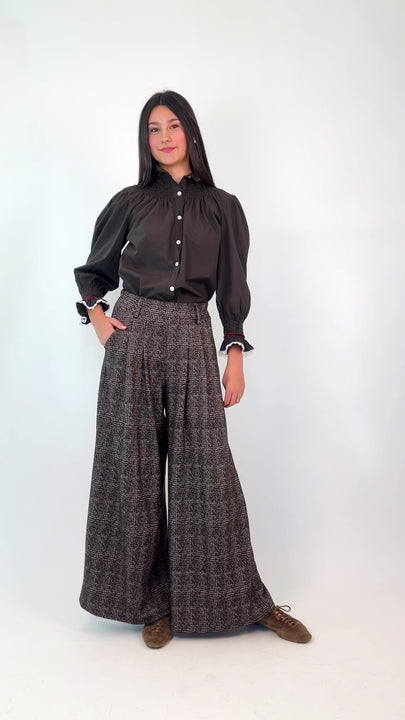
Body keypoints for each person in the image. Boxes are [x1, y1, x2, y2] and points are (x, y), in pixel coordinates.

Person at [73, 90, 312, 649]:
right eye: (153, 129)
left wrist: (234, 355)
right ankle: (153, 603)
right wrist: (100, 319)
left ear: (192, 133)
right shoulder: (131, 201)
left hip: (191, 332)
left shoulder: (223, 206)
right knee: (132, 469)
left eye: (173, 126)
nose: (164, 138)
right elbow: (95, 269)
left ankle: (248, 600)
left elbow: (232, 285)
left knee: (206, 469)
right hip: (134, 331)